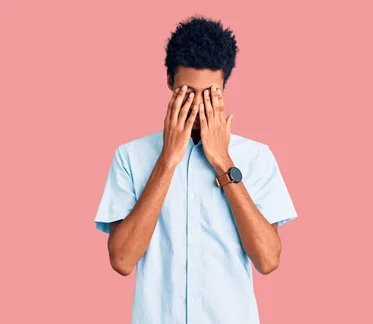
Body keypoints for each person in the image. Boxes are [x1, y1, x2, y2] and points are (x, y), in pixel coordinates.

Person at [94, 15, 298, 324]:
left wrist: (224, 163)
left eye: (210, 93)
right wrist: (168, 160)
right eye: (187, 91)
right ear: (169, 82)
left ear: (224, 86)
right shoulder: (130, 157)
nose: (199, 105)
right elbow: (122, 260)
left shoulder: (257, 158)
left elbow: (268, 260)